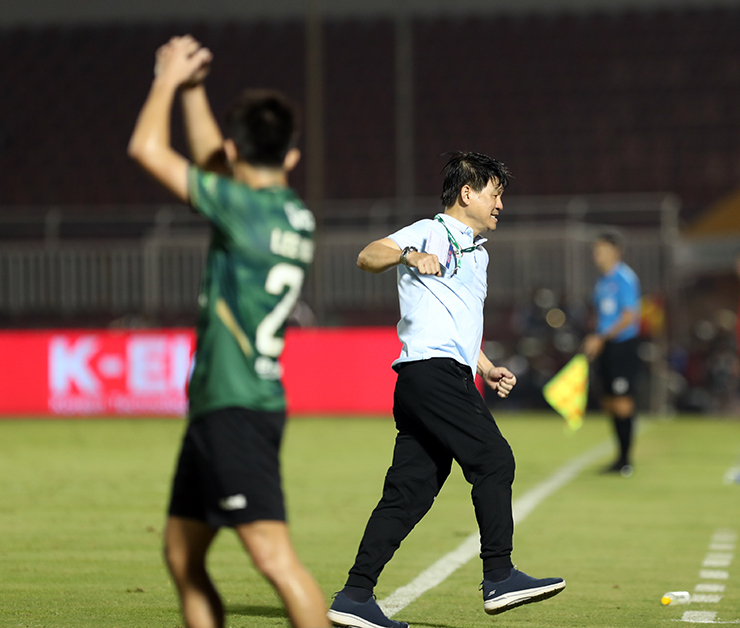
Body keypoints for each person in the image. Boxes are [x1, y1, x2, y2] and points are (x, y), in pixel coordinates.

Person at [128, 36, 330, 628]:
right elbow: (220, 167)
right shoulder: (293, 215)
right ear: (292, 157)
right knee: (181, 554)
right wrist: (196, 93)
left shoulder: (239, 208)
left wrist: (168, 79)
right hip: (227, 405)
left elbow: (146, 148)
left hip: (235, 407)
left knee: (274, 558)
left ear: (236, 148)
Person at [327, 152, 565, 628]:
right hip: (431, 374)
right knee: (494, 460)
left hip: (438, 376)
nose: (500, 205)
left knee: (409, 493)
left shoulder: (479, 254)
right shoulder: (428, 231)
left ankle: (354, 595)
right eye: (495, 194)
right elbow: (367, 256)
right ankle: (499, 576)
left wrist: (486, 366)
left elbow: (457, 322)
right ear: (467, 193)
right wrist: (408, 254)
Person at [582, 232, 642, 477]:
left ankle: (626, 460)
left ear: (616, 251)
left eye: (602, 250)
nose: (597, 255)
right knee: (609, 401)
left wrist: (601, 337)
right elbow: (600, 314)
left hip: (622, 346)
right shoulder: (601, 282)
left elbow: (629, 316)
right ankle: (619, 458)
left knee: (622, 402)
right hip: (606, 346)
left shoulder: (625, 278)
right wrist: (593, 336)